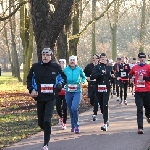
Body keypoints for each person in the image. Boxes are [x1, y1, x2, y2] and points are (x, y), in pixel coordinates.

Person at [27, 48, 66, 150]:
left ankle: (45, 144)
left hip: (51, 97)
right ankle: (47, 131)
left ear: (51, 56)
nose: (45, 56)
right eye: (43, 54)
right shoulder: (35, 67)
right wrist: (31, 90)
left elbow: (63, 78)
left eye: (47, 54)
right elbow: (29, 78)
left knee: (47, 121)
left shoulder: (56, 67)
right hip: (40, 97)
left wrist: (60, 84)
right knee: (41, 122)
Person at [87, 53, 113, 131]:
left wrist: (112, 76)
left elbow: (112, 76)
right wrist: (100, 73)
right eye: (101, 58)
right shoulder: (97, 67)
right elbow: (92, 76)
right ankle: (106, 117)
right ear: (100, 59)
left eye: (104, 58)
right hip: (98, 88)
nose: (102, 59)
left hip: (106, 88)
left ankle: (105, 124)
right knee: (102, 106)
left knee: (105, 104)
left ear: (106, 59)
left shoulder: (109, 67)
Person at [64, 55, 86, 133]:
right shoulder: (65, 69)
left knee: (74, 108)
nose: (72, 61)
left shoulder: (79, 69)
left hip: (77, 91)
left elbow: (84, 77)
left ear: (76, 61)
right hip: (68, 91)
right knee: (70, 109)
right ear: (69, 61)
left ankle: (76, 125)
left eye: (73, 60)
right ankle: (73, 125)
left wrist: (82, 82)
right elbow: (62, 78)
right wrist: (63, 84)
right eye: (71, 60)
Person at [129, 52, 150, 134]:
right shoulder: (135, 67)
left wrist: (144, 78)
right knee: (139, 109)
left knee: (148, 109)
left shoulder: (148, 67)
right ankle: (140, 128)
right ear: (138, 59)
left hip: (147, 91)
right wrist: (131, 78)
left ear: (145, 58)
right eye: (140, 58)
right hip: (138, 92)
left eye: (143, 57)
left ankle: (148, 115)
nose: (142, 59)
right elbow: (130, 74)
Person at [84, 54, 99, 121]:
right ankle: (94, 105)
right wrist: (87, 78)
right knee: (91, 98)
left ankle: (94, 113)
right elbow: (83, 73)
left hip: (97, 85)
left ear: (98, 59)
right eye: (93, 58)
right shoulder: (89, 66)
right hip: (91, 85)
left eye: (95, 58)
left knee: (96, 98)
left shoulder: (99, 66)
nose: (94, 59)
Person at [56, 59, 68, 129]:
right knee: (58, 108)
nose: (61, 64)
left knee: (65, 108)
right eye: (60, 63)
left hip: (66, 92)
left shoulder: (67, 71)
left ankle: (64, 123)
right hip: (58, 92)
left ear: (65, 64)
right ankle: (61, 116)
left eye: (63, 63)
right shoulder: (56, 72)